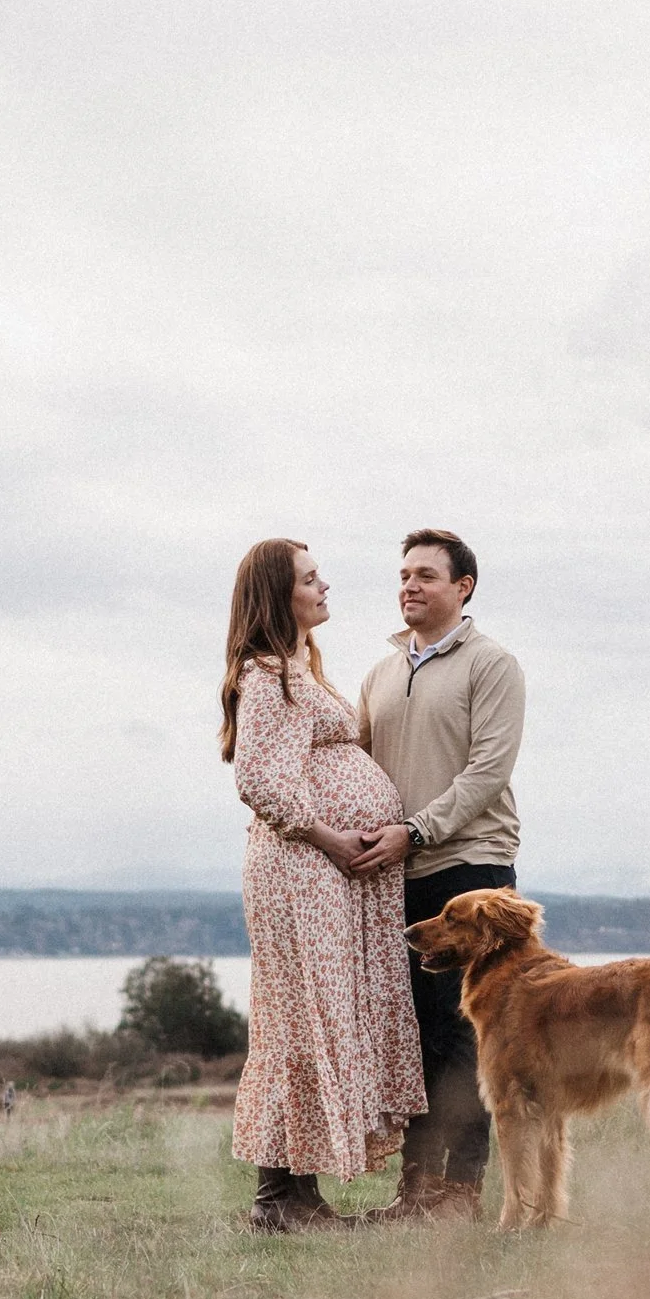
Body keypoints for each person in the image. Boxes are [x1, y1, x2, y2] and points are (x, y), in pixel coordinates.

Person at [221, 537, 426, 1234]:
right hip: (301, 872)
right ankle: (278, 1199)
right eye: (310, 579)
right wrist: (330, 836)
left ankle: (297, 1195)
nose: (324, 586)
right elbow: (256, 776)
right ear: (281, 595)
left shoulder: (299, 668)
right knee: (300, 1021)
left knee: (312, 1019)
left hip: (321, 877)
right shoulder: (266, 674)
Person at [343, 527, 526, 1218]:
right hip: (396, 872)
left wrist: (416, 829)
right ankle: (414, 1189)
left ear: (463, 587)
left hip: (471, 868)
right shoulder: (381, 673)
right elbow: (356, 765)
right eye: (403, 575)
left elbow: (488, 772)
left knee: (464, 1030)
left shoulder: (493, 664)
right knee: (411, 1032)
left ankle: (461, 1190)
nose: (409, 586)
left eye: (425, 575)